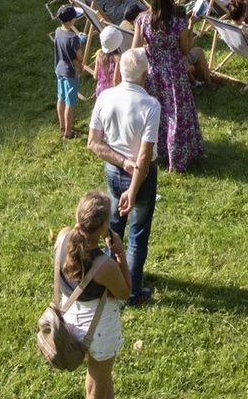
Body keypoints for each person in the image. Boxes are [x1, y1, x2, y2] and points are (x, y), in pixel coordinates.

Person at [86, 48, 161, 309]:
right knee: (138, 233)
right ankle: (132, 292)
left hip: (113, 172)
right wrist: (133, 187)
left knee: (112, 229)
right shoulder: (150, 105)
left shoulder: (105, 97)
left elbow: (93, 143)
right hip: (142, 177)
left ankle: (110, 283)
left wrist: (120, 161)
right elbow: (144, 155)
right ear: (144, 75)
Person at [51, 190, 129, 398]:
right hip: (98, 330)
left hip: (70, 321)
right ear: (104, 227)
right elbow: (125, 292)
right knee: (95, 389)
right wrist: (120, 253)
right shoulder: (105, 266)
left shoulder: (63, 237)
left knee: (103, 379)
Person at [136, 0, 204, 172]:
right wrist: (192, 25)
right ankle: (179, 156)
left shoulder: (143, 20)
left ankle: (158, 153)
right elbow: (186, 50)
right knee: (177, 115)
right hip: (175, 76)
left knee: (156, 114)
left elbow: (136, 47)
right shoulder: (178, 24)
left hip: (153, 74)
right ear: (170, 0)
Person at [53, 6, 86, 139]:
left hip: (59, 69)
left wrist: (77, 39)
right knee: (70, 102)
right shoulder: (73, 38)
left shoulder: (57, 31)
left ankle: (62, 126)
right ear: (72, 20)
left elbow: (64, 42)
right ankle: (68, 133)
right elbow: (79, 57)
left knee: (61, 97)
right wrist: (79, 42)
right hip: (70, 73)